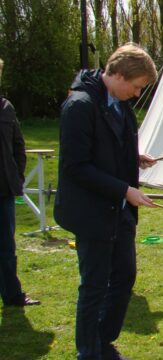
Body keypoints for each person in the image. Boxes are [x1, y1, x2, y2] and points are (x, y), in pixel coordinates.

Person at [54, 43, 158, 360]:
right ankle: (89, 352)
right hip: (91, 212)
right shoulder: (80, 106)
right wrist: (124, 190)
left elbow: (110, 146)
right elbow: (76, 166)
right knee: (94, 286)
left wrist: (132, 157)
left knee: (125, 276)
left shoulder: (120, 104)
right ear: (118, 75)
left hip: (119, 212)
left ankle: (103, 341)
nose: (137, 93)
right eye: (137, 86)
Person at [0, 58, 40, 307]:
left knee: (6, 246)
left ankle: (13, 295)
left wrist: (18, 176)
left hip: (4, 189)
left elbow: (18, 146)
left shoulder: (6, 108)